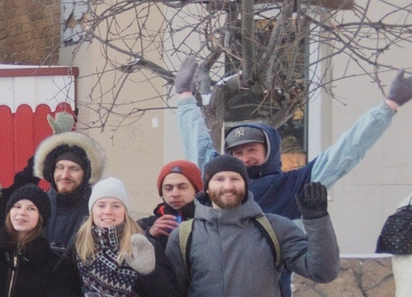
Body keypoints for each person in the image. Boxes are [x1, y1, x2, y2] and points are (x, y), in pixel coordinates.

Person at [173, 59, 410, 219]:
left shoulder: (295, 185)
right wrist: (185, 96)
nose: (245, 158)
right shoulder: (220, 183)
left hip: (271, 290)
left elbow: (346, 151)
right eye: (237, 153)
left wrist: (388, 107)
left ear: (270, 150)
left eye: (252, 150)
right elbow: (198, 145)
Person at [166, 155, 338, 297]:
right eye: (219, 179)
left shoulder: (275, 227)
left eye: (235, 179)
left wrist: (317, 220)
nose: (228, 186)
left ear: (246, 185)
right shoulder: (184, 236)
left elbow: (323, 271)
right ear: (207, 187)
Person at [31, 116, 107, 251]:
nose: (65, 175)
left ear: (86, 173)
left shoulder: (96, 210)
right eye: (60, 167)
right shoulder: (36, 206)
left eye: (74, 169)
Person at [139, 160, 203, 247]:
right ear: (161, 193)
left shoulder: (211, 223)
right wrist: (149, 235)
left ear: (196, 190)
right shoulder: (143, 225)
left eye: (182, 187)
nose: (175, 194)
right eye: (168, 188)